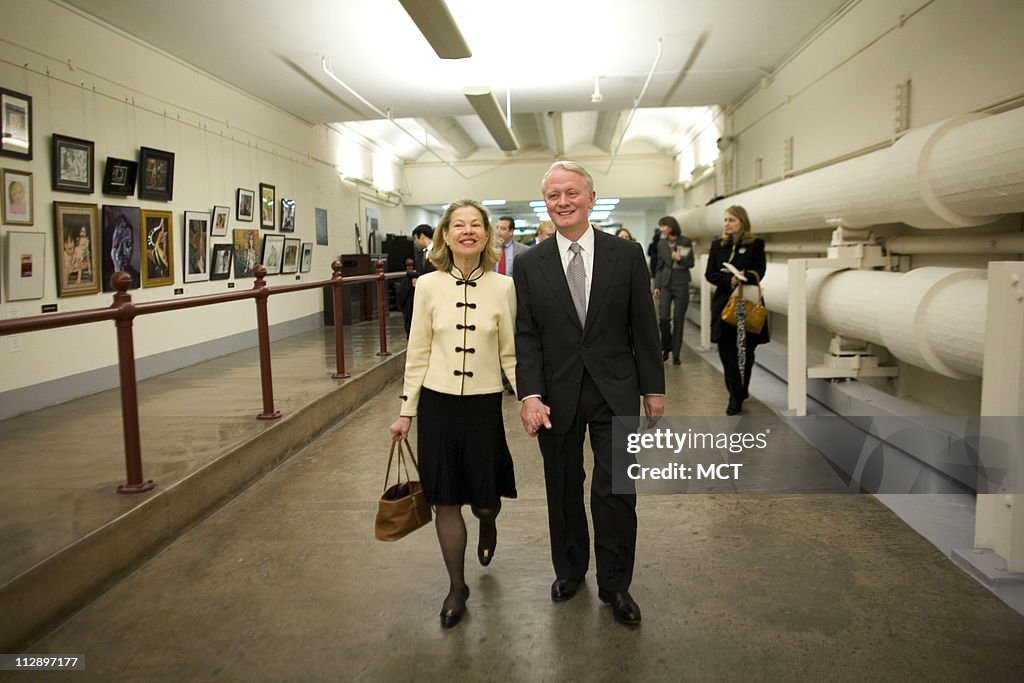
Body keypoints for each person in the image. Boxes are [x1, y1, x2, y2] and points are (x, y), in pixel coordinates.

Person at [514, 161, 664, 626]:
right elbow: (527, 336)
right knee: (563, 486)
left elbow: (644, 326)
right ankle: (570, 570)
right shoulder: (529, 264)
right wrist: (530, 394)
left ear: (591, 198)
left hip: (615, 390)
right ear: (546, 203)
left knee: (617, 488)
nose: (563, 202)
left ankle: (616, 584)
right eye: (554, 195)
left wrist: (652, 389)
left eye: (572, 193)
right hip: (556, 396)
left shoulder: (627, 255)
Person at [389, 199, 518, 629]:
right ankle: (457, 586)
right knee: (445, 500)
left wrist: (528, 398)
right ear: (445, 234)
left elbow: (510, 353)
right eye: (458, 225)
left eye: (475, 225)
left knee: (484, 501)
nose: (467, 231)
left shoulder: (503, 287)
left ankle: (488, 521)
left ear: (487, 235)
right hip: (438, 405)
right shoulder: (427, 286)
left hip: (483, 405)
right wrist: (407, 411)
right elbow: (418, 352)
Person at [704, 205, 768, 415]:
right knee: (727, 350)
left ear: (742, 221)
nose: (727, 224)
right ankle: (734, 394)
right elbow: (710, 274)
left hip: (747, 303)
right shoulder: (717, 245)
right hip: (725, 303)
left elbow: (760, 270)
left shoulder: (756, 244)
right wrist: (728, 279)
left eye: (731, 220)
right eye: (725, 220)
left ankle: (741, 388)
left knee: (746, 350)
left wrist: (744, 275)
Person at [653, 216, 694, 365]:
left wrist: (680, 259)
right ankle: (666, 347)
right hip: (665, 284)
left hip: (681, 283)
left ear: (670, 227)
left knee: (679, 319)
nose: (661, 229)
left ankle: (676, 354)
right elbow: (659, 265)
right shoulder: (661, 243)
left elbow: (691, 263)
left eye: (663, 226)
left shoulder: (685, 241)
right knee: (663, 318)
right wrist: (656, 285)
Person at [395, 224, 435, 337]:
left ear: (422, 236)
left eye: (415, 239)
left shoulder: (441, 251)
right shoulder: (420, 255)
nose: (414, 242)